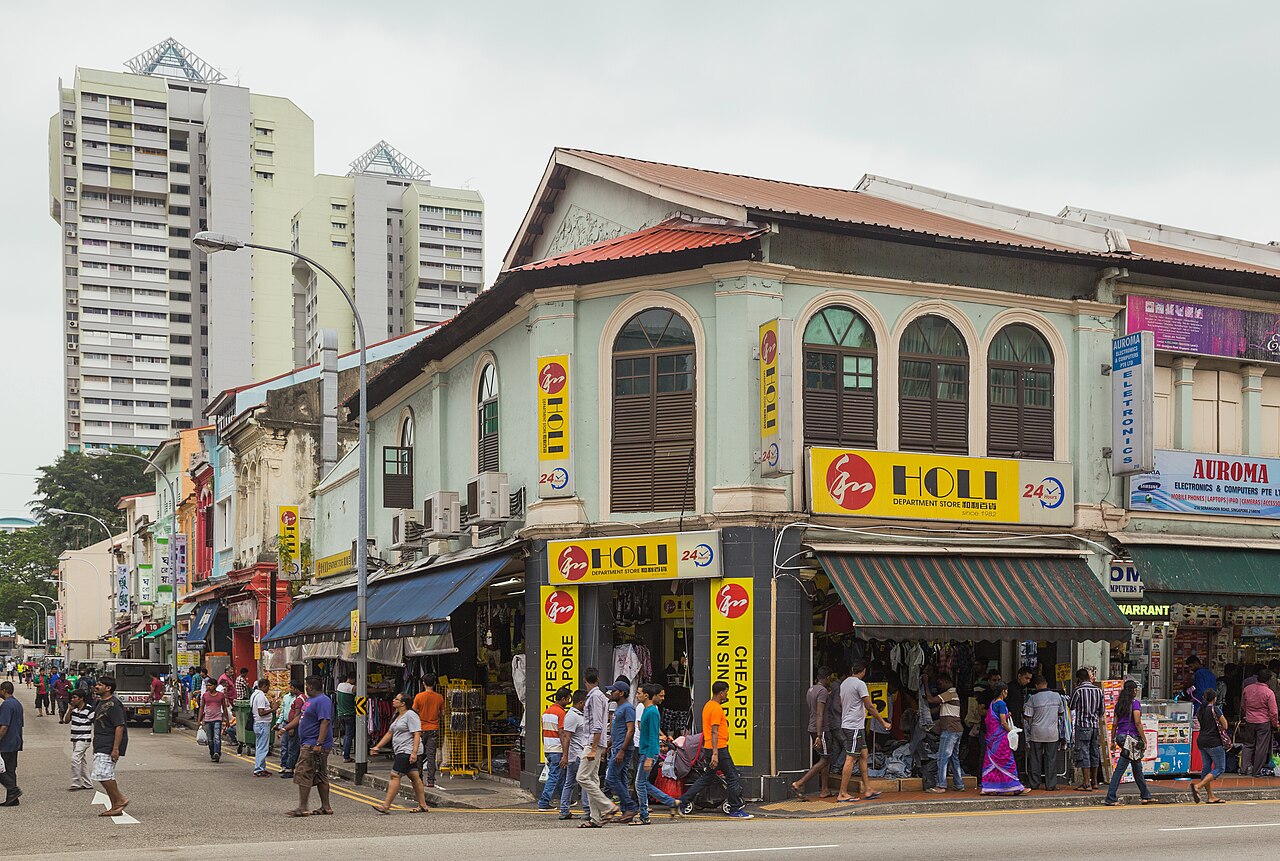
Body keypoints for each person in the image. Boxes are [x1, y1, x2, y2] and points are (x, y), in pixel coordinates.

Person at [679, 680, 753, 819]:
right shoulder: (716, 709)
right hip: (718, 748)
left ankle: (682, 802)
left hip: (710, 748)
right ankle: (735, 808)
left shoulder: (708, 705)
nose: (726, 695)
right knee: (732, 776)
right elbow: (714, 731)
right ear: (721, 692)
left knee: (707, 778)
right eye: (726, 692)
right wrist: (715, 754)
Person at [836, 660, 889, 804]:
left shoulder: (844, 683)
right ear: (864, 671)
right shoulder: (860, 684)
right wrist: (883, 722)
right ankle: (842, 793)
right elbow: (870, 706)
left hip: (851, 724)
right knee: (851, 758)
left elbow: (842, 703)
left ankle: (868, 789)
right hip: (853, 726)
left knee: (864, 754)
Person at [370, 691, 430, 814]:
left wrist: (413, 752)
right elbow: (390, 733)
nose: (393, 700)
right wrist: (377, 746)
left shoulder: (410, 715)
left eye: (397, 699)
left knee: (395, 775)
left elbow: (417, 734)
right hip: (401, 750)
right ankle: (423, 805)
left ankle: (386, 806)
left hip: (406, 750)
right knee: (414, 777)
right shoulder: (397, 716)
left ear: (403, 703)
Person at [575, 668, 619, 828]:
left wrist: (594, 748)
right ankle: (596, 818)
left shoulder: (594, 697)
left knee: (582, 777)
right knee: (592, 779)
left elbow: (597, 725)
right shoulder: (601, 696)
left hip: (592, 742)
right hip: (598, 742)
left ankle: (608, 806)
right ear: (598, 680)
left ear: (584, 679)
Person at [288, 675, 334, 817]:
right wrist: (285, 728)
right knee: (320, 774)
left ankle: (302, 807)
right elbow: (300, 717)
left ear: (311, 687)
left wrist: (319, 743)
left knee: (303, 773)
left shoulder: (323, 700)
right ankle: (326, 807)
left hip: (313, 744)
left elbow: (325, 722)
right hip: (309, 742)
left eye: (306, 685)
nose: (305, 688)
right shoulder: (310, 700)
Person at [634, 683, 680, 823]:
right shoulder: (649, 710)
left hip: (648, 752)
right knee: (642, 783)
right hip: (646, 751)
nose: (637, 695)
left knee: (640, 784)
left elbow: (653, 735)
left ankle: (644, 815)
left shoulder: (652, 712)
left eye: (639, 693)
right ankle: (671, 802)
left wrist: (649, 757)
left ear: (646, 695)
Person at [1104, 679, 1154, 805]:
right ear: (1133, 690)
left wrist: (1113, 741)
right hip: (1131, 739)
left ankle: (1146, 795)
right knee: (1121, 769)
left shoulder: (1119, 704)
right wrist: (1144, 738)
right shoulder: (1135, 704)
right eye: (1136, 689)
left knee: (1137, 767)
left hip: (1121, 737)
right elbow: (1137, 722)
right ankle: (1110, 797)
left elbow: (1114, 724)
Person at [981, 683, 1029, 795]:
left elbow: (996, 718)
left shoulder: (993, 703)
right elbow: (1003, 722)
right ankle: (1015, 787)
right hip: (1001, 738)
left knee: (992, 761)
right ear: (1003, 691)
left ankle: (990, 786)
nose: (1007, 693)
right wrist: (1011, 731)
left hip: (992, 738)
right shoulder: (1001, 703)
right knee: (1008, 761)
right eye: (1006, 691)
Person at [792, 666, 833, 798]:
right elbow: (820, 713)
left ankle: (825, 789)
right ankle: (799, 783)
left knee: (825, 757)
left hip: (812, 727)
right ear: (827, 678)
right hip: (821, 729)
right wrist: (819, 736)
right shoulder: (822, 691)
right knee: (825, 759)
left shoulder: (811, 689)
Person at [92, 674, 129, 817]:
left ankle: (120, 799)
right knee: (103, 773)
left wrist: (115, 748)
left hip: (109, 744)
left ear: (108, 688)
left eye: (100, 685)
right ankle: (115, 806)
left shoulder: (114, 704)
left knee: (103, 774)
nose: (97, 686)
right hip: (100, 742)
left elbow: (119, 726)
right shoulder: (100, 702)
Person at [1023, 676, 1064, 791]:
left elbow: (1027, 716)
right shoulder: (1057, 696)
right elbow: (1061, 713)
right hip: (1052, 733)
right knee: (1051, 759)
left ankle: (1034, 784)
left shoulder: (1033, 698)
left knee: (1035, 759)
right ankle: (1050, 785)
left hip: (1037, 733)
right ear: (1046, 684)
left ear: (1036, 685)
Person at [927, 671, 965, 793]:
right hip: (956, 730)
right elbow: (937, 709)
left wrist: (925, 683)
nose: (939, 686)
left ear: (947, 682)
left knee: (942, 757)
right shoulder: (950, 696)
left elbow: (931, 699)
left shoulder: (950, 693)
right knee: (954, 758)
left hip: (950, 730)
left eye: (940, 683)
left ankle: (941, 785)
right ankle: (959, 784)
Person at [605, 681, 638, 821]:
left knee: (611, 778)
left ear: (622, 693)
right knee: (621, 778)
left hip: (622, 749)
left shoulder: (627, 708)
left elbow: (631, 730)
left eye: (614, 691)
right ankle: (626, 812)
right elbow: (616, 730)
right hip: (617, 747)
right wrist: (609, 744)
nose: (611, 693)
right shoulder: (618, 708)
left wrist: (622, 750)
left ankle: (630, 806)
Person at [1068, 667, 1104, 791]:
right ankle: (1094, 782)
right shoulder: (1098, 691)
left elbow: (1071, 706)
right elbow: (1102, 710)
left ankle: (1086, 783)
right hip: (1095, 726)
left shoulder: (1078, 690)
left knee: (1083, 753)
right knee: (1094, 752)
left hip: (1082, 725)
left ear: (1078, 679)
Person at [1190, 688, 1228, 804]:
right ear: (1215, 698)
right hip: (1214, 742)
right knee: (1220, 767)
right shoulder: (1215, 709)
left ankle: (1210, 796)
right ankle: (1199, 786)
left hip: (1202, 741)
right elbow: (1225, 725)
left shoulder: (1200, 710)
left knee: (1206, 769)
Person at [537, 686, 571, 811]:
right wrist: (565, 753)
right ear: (563, 699)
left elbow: (542, 732)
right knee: (554, 776)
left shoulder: (546, 712)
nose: (568, 702)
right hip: (557, 748)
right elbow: (562, 733)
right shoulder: (561, 713)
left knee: (559, 775)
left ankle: (565, 799)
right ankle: (544, 802)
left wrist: (545, 747)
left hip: (548, 748)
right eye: (568, 699)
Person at [1241, 668, 1279, 776]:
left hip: (1249, 720)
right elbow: (1274, 712)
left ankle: (1243, 769)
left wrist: (1248, 714)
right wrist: (1275, 723)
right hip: (1263, 722)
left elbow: (1243, 705)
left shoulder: (1247, 689)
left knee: (1248, 744)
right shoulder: (1269, 693)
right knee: (1261, 746)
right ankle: (1256, 771)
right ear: (1268, 680)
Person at [559, 688, 589, 821]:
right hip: (576, 755)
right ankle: (587, 810)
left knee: (570, 783)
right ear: (581, 702)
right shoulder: (572, 716)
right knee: (585, 782)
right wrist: (565, 756)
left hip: (577, 754)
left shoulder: (579, 715)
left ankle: (564, 810)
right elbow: (566, 737)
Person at [411, 674, 444, 787]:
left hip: (420, 729)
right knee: (431, 756)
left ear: (423, 683)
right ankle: (431, 781)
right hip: (434, 728)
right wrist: (435, 714)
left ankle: (419, 779)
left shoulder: (419, 697)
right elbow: (442, 713)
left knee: (419, 755)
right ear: (434, 683)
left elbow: (414, 711)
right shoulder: (439, 697)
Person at [63, 688, 95, 791]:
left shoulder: (89, 709)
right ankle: (88, 783)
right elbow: (66, 721)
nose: (72, 699)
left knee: (75, 759)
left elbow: (95, 722)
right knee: (81, 761)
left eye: (75, 697)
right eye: (72, 697)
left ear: (81, 698)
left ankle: (76, 782)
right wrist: (70, 709)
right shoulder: (74, 709)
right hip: (75, 738)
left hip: (84, 739)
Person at [276, 680, 305, 779]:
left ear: (296, 688)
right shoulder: (297, 698)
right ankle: (287, 766)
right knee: (287, 746)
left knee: (292, 748)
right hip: (289, 724)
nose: (290, 689)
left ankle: (289, 769)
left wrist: (291, 727)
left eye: (292, 688)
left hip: (293, 726)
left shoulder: (299, 699)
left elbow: (297, 714)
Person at [0, 681, 23, 806]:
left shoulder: (6, 705)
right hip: (15, 741)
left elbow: (4, 726)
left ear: (4, 690)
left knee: (1, 770)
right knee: (10, 770)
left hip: (6, 742)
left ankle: (13, 790)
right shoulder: (17, 703)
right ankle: (12, 798)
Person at [200, 677, 231, 763]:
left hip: (217, 718)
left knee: (217, 737)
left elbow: (224, 707)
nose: (208, 687)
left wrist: (227, 720)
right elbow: (202, 707)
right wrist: (199, 719)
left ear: (215, 686)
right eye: (207, 685)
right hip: (208, 719)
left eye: (210, 685)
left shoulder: (220, 695)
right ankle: (212, 753)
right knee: (210, 739)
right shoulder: (205, 695)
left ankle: (217, 752)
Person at [250, 679, 274, 776]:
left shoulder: (254, 695)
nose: (268, 689)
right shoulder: (260, 696)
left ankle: (262, 767)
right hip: (262, 724)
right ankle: (259, 769)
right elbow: (261, 712)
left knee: (260, 746)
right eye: (268, 686)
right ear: (264, 686)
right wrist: (273, 709)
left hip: (259, 724)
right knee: (262, 748)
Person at [334, 672, 356, 763]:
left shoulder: (340, 686)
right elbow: (365, 691)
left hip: (341, 714)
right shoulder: (352, 688)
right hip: (350, 714)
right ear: (354, 679)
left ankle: (345, 752)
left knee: (347, 734)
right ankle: (346, 756)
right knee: (349, 735)